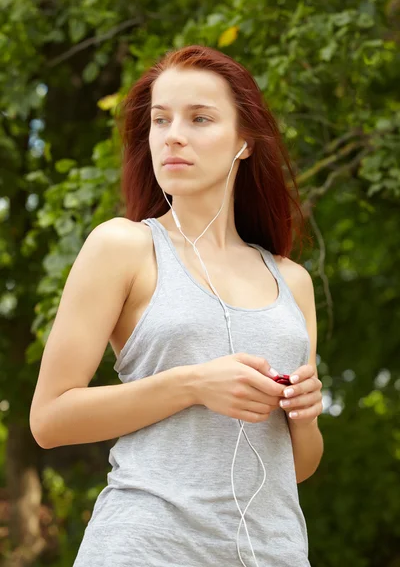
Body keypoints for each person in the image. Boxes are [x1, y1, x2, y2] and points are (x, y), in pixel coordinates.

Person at [30, 44, 324, 566]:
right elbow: (50, 420)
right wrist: (192, 385)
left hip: (274, 553)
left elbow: (298, 467)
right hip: (145, 546)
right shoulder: (123, 247)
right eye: (160, 119)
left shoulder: (292, 281)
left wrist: (303, 417)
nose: (173, 135)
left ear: (246, 142)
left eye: (200, 118)